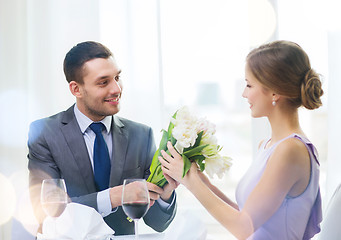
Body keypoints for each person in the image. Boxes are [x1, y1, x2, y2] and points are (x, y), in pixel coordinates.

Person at [159, 40, 323, 239]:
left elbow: (244, 227)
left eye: (249, 84)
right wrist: (203, 182)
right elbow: (249, 217)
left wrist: (190, 181)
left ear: (274, 91)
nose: (244, 93)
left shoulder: (291, 150)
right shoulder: (269, 145)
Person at [27, 41, 177, 236]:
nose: (116, 89)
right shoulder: (44, 133)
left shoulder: (142, 135)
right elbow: (45, 213)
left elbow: (158, 223)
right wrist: (113, 197)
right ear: (76, 89)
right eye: (103, 82)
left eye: (117, 77)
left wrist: (166, 194)